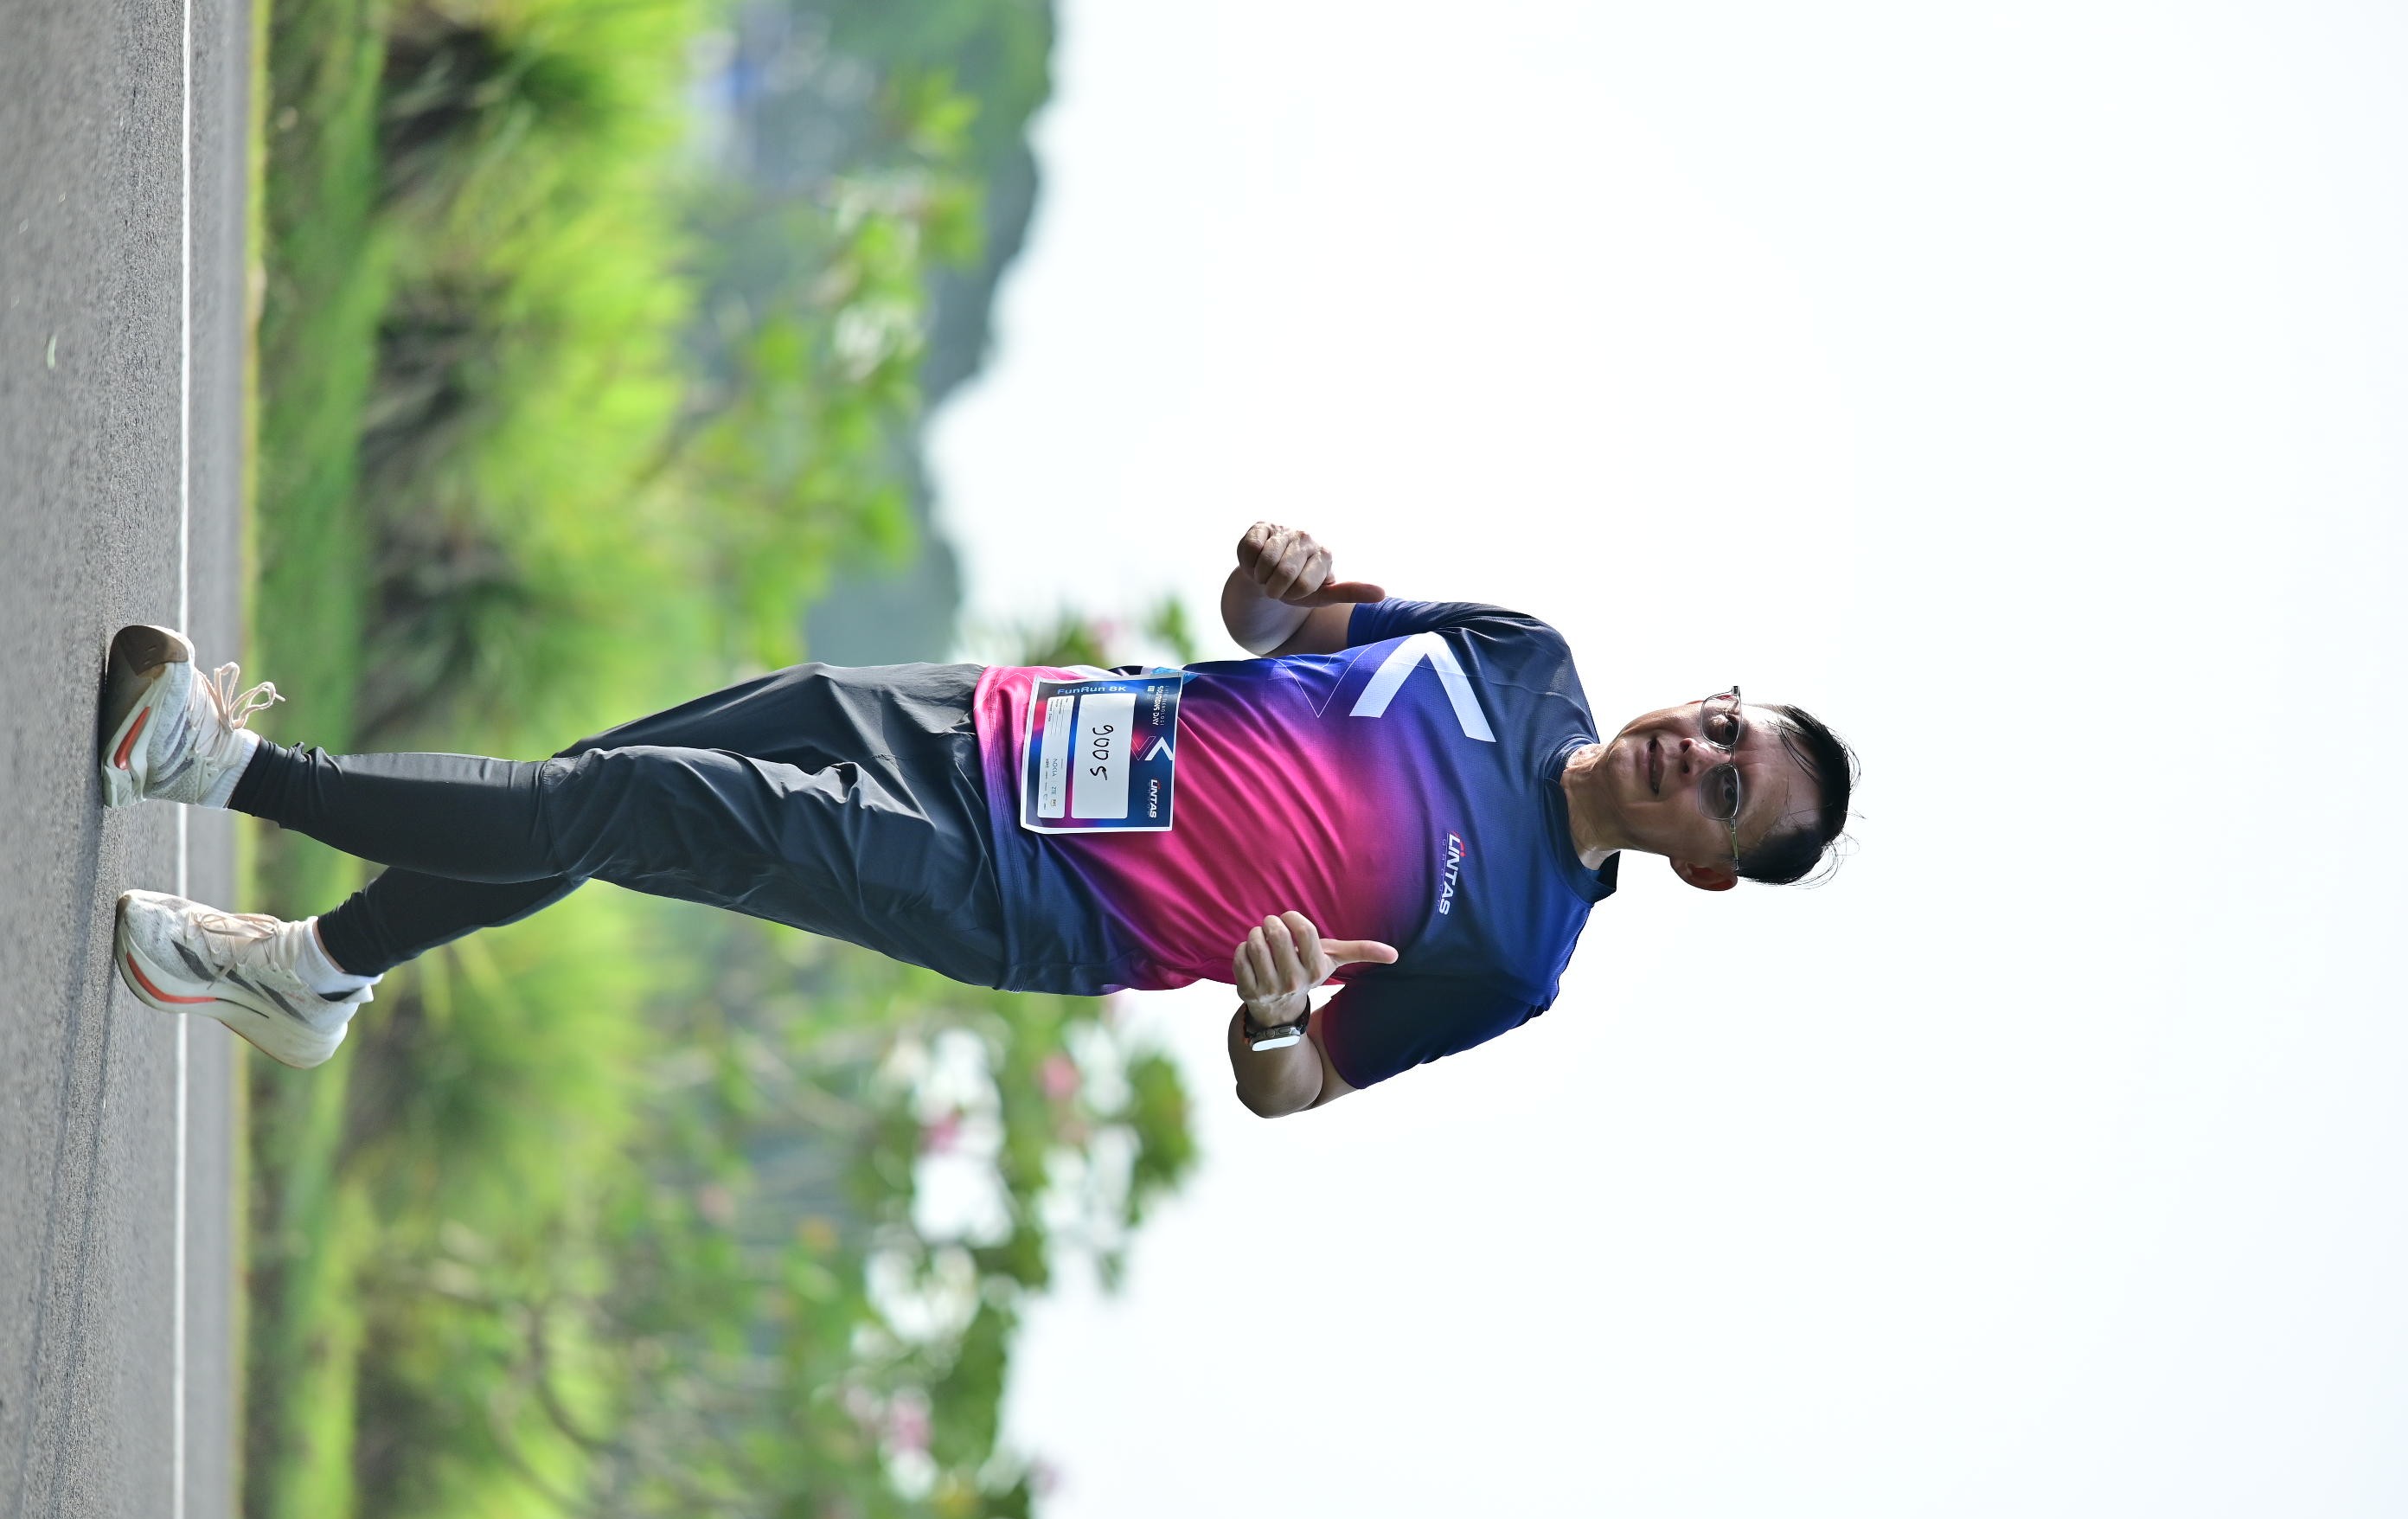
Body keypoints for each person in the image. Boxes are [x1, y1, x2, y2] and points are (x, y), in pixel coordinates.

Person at [100, 522, 1856, 1110]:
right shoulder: (1520, 656)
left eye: (1728, 787)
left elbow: (1299, 1083)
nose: (1696, 752)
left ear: (1710, 864)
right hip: (1012, 724)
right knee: (600, 782)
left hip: (1033, 898)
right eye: (1724, 724)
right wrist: (1270, 579)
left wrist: (1266, 1020)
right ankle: (316, 973)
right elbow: (1275, 632)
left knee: (624, 805)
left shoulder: (1520, 955)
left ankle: (216, 765)